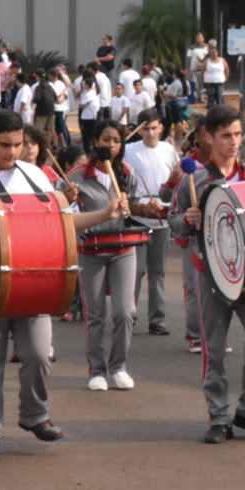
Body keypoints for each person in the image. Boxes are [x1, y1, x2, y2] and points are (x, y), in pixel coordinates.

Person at [0, 110, 128, 462]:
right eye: (4, 144)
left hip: (33, 285)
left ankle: (34, 415)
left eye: (18, 144)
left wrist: (105, 214)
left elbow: (62, 222)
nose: (11, 152)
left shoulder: (35, 176)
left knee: (38, 355)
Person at [169, 105, 245, 444]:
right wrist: (188, 219)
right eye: (226, 136)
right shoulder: (193, 179)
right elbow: (173, 225)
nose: (233, 142)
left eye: (237, 134)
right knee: (213, 350)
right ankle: (219, 417)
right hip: (210, 275)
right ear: (208, 138)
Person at [70, 120, 168, 391]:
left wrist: (146, 208)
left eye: (116, 141)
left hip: (124, 249)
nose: (111, 145)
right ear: (95, 142)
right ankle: (96, 371)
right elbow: (67, 214)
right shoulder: (77, 176)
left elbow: (133, 208)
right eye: (105, 140)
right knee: (96, 314)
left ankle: (118, 366)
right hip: (90, 251)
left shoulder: (128, 171)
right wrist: (66, 196)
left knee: (126, 312)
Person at [123, 109, 177, 336]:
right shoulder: (128, 150)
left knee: (158, 270)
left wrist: (174, 181)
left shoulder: (169, 149)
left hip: (162, 214)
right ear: (138, 129)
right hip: (137, 213)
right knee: (135, 270)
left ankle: (157, 319)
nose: (150, 132)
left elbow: (176, 177)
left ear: (161, 128)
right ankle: (129, 315)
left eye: (154, 128)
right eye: (145, 128)